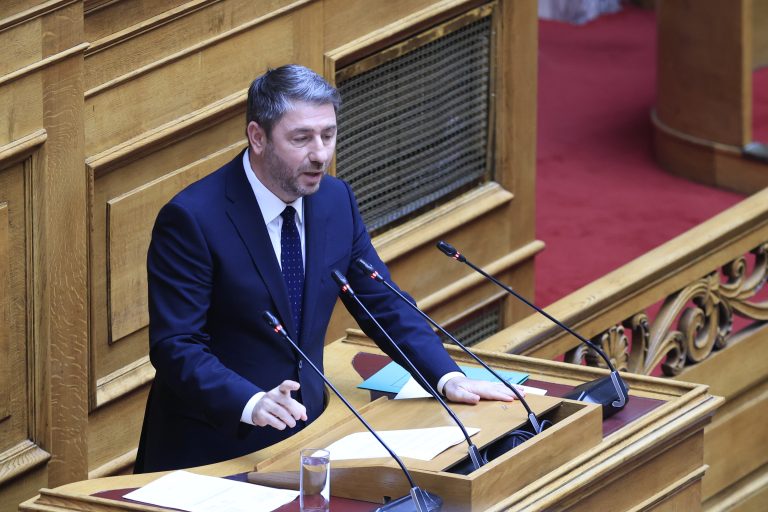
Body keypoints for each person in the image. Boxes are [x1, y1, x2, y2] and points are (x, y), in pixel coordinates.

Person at [135, 64, 521, 473]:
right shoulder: (193, 218)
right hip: (214, 449)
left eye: (328, 134)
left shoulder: (335, 201)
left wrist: (446, 376)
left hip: (309, 436)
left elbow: (381, 302)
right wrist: (250, 401)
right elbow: (177, 344)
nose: (320, 154)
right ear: (257, 137)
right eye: (301, 138)